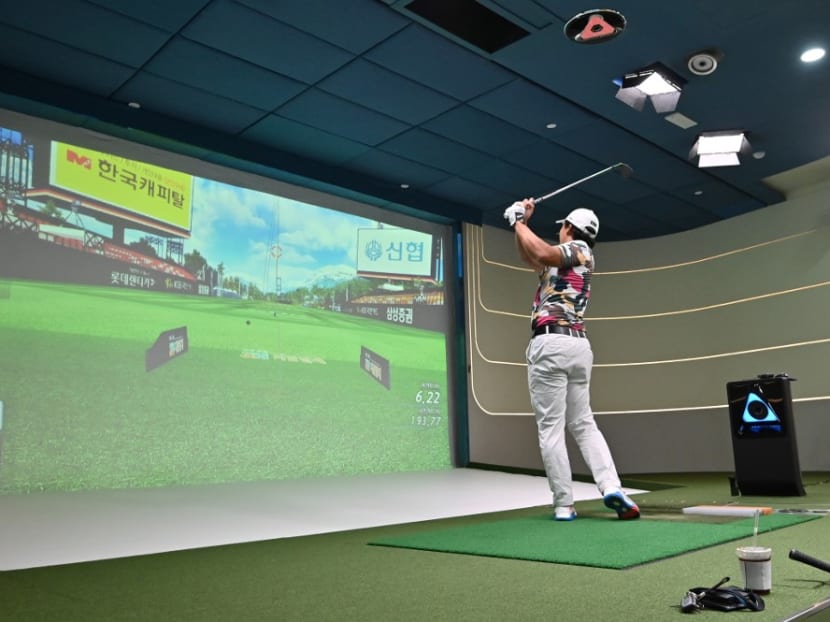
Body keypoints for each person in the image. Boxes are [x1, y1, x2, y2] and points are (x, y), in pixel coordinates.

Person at [503, 199, 639, 521]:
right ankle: (611, 487)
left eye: (561, 228)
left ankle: (564, 504)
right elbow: (530, 255)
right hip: (577, 348)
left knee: (551, 428)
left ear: (568, 228)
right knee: (582, 422)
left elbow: (540, 252)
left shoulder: (578, 249)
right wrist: (520, 223)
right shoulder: (565, 260)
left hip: (551, 343)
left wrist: (519, 223)